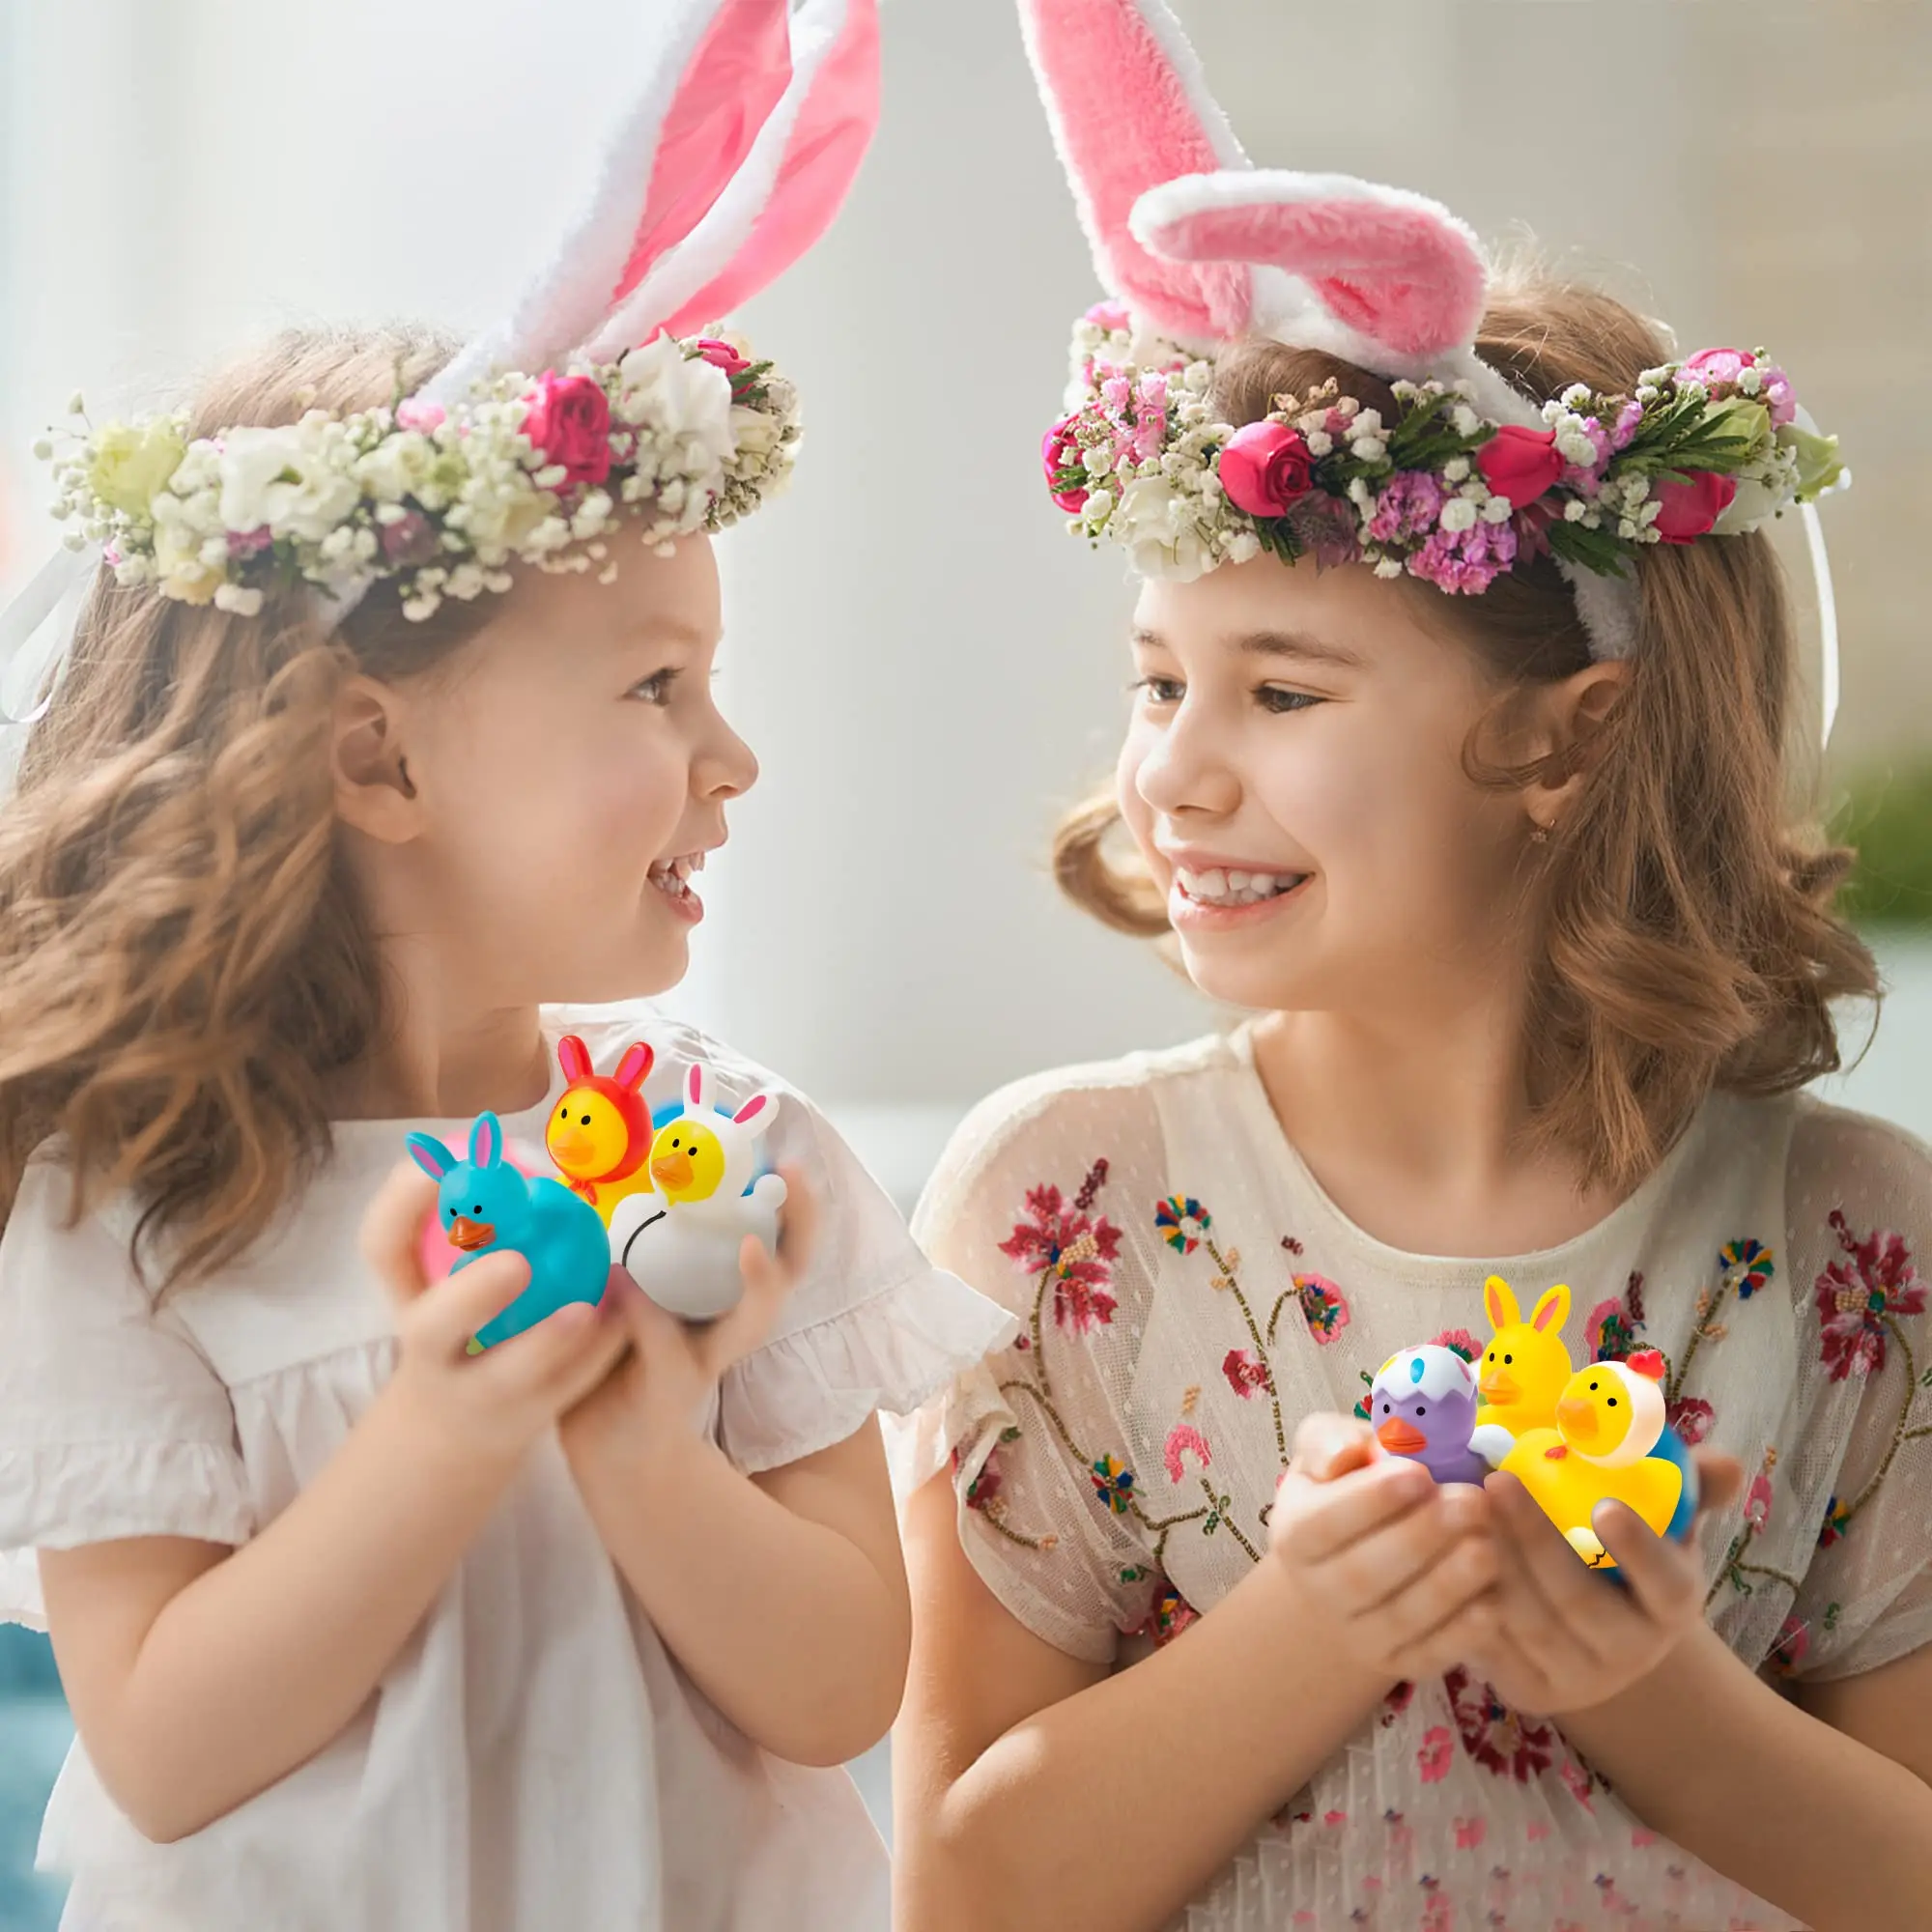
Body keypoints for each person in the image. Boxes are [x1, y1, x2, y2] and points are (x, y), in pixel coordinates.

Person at [891, 3, 1931, 1928]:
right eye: (1156, 679)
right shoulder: (1062, 1210)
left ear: (1566, 738)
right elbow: (962, 1885)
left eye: (1280, 690)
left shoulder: (1857, 1238)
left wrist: (1651, 1689)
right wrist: (1305, 1623)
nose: (1175, 770)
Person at [0, 3, 1009, 1925]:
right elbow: (164, 1737)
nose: (734, 758)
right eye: (654, 686)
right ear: (374, 755)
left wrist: (636, 1423)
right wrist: (450, 1419)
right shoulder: (131, 1200)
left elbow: (834, 1688)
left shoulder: (743, 1157)